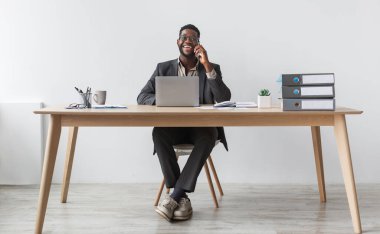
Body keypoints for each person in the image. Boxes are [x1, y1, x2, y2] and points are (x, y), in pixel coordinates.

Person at [137, 24, 231, 221]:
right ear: (178, 42)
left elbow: (223, 99)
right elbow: (142, 96)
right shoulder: (163, 68)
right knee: (158, 133)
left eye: (193, 38)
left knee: (209, 135)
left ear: (198, 44)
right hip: (174, 126)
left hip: (202, 128)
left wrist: (207, 65)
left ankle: (173, 196)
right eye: (184, 37)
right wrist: (161, 100)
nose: (188, 40)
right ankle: (181, 196)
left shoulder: (212, 68)